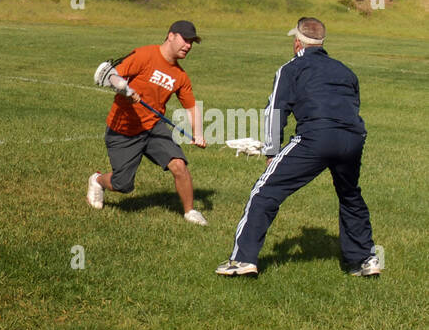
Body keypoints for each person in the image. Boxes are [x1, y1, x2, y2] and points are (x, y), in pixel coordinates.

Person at [217, 18, 379, 278]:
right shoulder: (346, 71)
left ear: (297, 43)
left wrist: (271, 152)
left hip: (317, 136)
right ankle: (365, 260)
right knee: (350, 194)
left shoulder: (291, 69)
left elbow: (275, 112)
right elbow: (353, 105)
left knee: (265, 192)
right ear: (322, 41)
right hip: (353, 137)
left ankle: (243, 259)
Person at [87, 20, 208, 224]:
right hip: (123, 129)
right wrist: (126, 89)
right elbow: (111, 75)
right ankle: (97, 180)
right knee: (122, 184)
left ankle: (190, 211)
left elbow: (191, 107)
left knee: (179, 165)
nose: (188, 45)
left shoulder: (180, 76)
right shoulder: (144, 55)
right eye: (185, 40)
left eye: (192, 42)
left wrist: (198, 133)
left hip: (153, 127)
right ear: (171, 36)